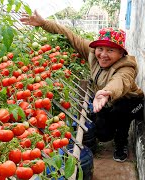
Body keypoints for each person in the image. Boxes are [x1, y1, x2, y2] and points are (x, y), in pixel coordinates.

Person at [20, 10, 144, 162]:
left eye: (110, 50)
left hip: (130, 101)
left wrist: (107, 92)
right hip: (106, 99)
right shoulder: (92, 53)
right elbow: (70, 35)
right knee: (103, 134)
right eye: (101, 49)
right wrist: (44, 23)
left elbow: (120, 81)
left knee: (122, 115)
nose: (103, 54)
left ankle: (121, 143)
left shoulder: (126, 67)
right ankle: (111, 122)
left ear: (121, 54)